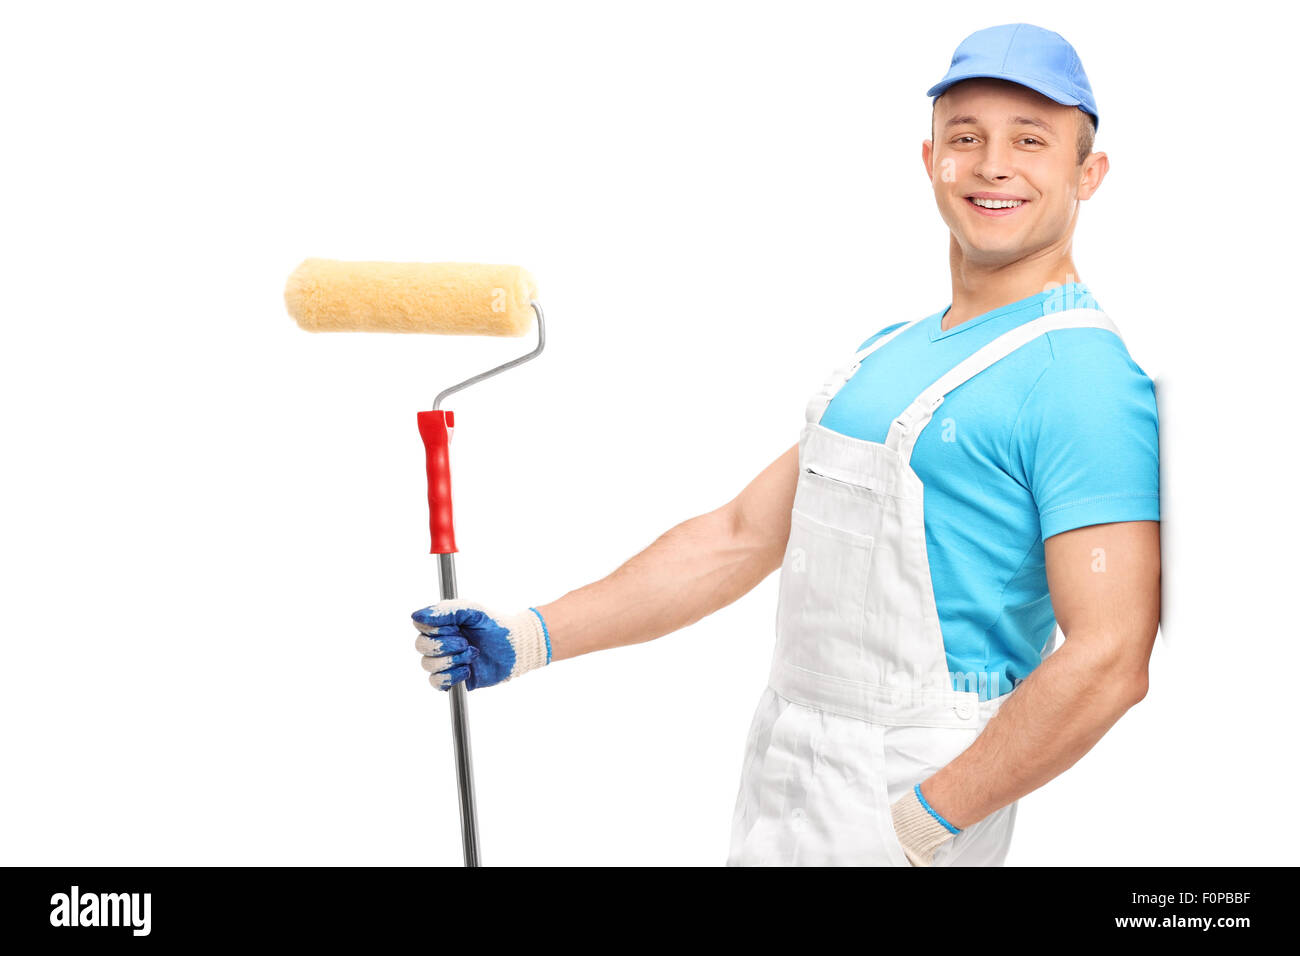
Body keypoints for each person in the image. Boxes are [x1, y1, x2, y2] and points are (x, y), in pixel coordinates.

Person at [412, 22, 1161, 866]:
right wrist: (529, 635)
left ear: (1087, 174)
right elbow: (738, 537)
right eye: (966, 138)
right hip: (788, 757)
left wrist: (926, 820)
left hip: (913, 778)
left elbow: (1109, 656)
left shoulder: (1082, 377)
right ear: (929, 162)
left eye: (1031, 141)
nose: (993, 165)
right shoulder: (888, 352)